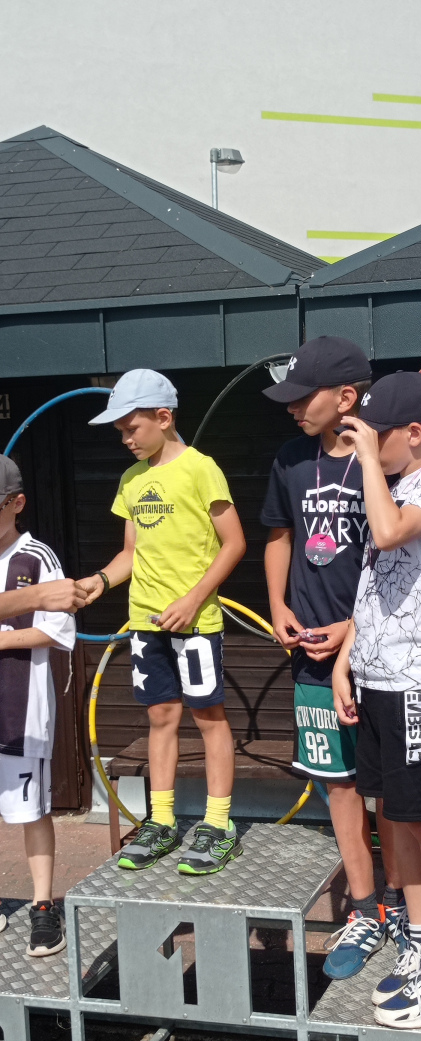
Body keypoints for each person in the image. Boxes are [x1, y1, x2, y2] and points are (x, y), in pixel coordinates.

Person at [333, 371, 421, 1029]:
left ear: (414, 434)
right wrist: (346, 661)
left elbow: (391, 534)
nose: (365, 445)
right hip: (379, 676)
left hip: (418, 678)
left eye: (376, 434)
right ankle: (420, 945)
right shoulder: (392, 485)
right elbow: (372, 585)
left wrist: (367, 460)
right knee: (396, 811)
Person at [261, 336, 405, 981]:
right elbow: (280, 535)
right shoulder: (291, 459)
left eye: (302, 397)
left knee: (390, 786)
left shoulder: (388, 459)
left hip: (382, 650)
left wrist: (353, 624)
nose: (292, 408)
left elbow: (401, 556)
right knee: (340, 786)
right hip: (313, 658)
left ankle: (402, 901)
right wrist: (277, 605)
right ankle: (365, 907)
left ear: (347, 397)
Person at [78, 369, 246, 874]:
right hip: (145, 621)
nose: (126, 439)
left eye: (131, 428)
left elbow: (234, 543)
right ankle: (163, 820)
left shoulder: (201, 469)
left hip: (195, 622)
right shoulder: (131, 480)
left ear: (164, 417)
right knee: (160, 717)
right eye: (120, 432)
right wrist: (100, 582)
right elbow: (131, 553)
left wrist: (194, 600)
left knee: (208, 717)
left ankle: (219, 824)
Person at [0, 455, 76, 956]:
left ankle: (43, 906)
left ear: (17, 503)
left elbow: (58, 630)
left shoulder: (37, 558)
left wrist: (4, 639)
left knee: (31, 809)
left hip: (21, 705)